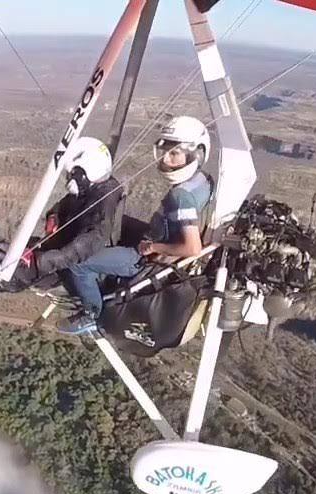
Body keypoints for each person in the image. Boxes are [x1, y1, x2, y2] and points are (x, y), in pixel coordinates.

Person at [56, 116, 213, 336]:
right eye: (165, 152)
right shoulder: (202, 182)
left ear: (196, 154)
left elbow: (192, 248)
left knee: (78, 264)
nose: (166, 160)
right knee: (115, 222)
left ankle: (92, 314)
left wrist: (154, 248)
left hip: (148, 259)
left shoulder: (181, 196)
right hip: (160, 239)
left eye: (174, 154)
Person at [0, 137, 123, 307]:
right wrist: (54, 216)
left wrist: (40, 260)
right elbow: (67, 203)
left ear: (85, 172)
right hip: (58, 249)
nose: (70, 179)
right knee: (12, 249)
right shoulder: (95, 190)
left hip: (71, 266)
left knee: (11, 270)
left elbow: (81, 248)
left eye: (72, 174)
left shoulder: (101, 210)